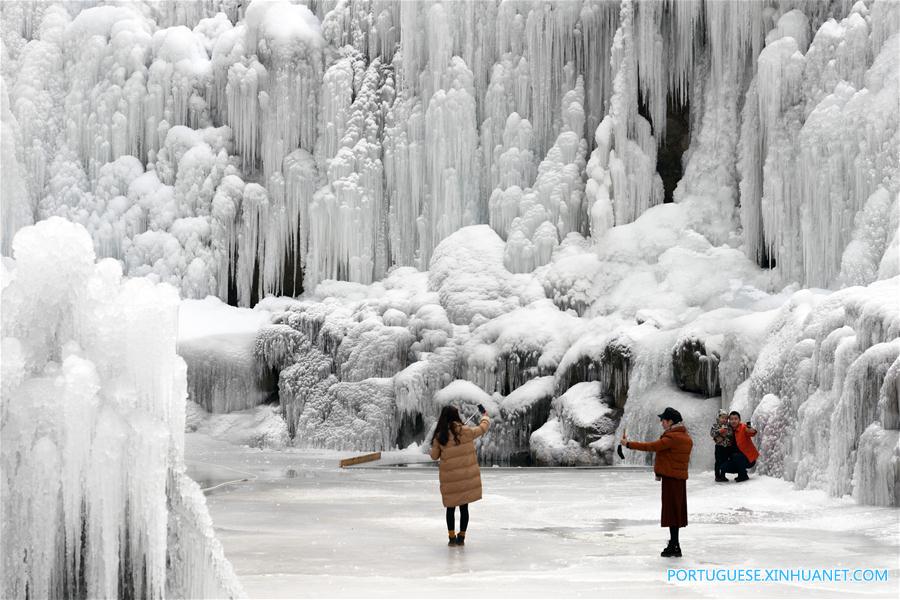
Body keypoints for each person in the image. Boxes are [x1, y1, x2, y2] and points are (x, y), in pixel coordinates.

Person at [621, 407, 693, 558]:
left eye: (663, 420)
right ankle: (675, 543)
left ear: (670, 421)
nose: (661, 423)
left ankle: (675, 545)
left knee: (672, 512)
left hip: (672, 479)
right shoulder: (685, 437)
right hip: (679, 479)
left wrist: (628, 444)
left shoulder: (672, 438)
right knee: (675, 512)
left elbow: (651, 447)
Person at [430, 404, 490, 546]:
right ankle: (461, 537)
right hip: (465, 479)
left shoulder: (440, 436)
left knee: (450, 508)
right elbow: (483, 428)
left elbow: (434, 456)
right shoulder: (466, 431)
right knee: (464, 508)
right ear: (456, 416)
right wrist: (485, 415)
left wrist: (433, 445)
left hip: (450, 480)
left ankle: (451, 537)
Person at [722, 411, 758, 482]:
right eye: (731, 419)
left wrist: (751, 430)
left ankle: (743, 475)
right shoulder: (728, 430)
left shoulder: (743, 427)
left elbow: (752, 432)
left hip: (749, 460)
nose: (733, 421)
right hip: (736, 459)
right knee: (723, 467)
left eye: (736, 419)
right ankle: (742, 471)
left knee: (736, 456)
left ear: (739, 420)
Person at [709, 409, 735, 482]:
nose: (724, 420)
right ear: (718, 418)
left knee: (725, 461)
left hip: (727, 447)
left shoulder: (728, 426)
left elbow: (731, 434)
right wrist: (719, 431)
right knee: (718, 461)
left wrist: (726, 434)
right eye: (722, 418)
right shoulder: (715, 426)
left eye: (726, 418)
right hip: (719, 447)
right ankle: (717, 476)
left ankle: (723, 476)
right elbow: (712, 433)